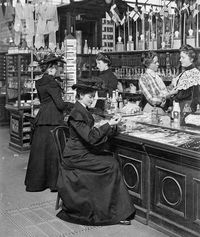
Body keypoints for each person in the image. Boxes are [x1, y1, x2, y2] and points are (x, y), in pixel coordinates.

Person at [56, 81, 135, 226]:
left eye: (93, 96)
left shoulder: (81, 109)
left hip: (82, 152)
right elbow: (91, 137)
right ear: (80, 95)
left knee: (111, 160)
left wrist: (111, 125)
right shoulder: (76, 113)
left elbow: (90, 135)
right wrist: (108, 124)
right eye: (89, 96)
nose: (92, 99)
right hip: (76, 157)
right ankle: (112, 212)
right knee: (111, 164)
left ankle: (112, 208)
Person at [24, 53, 74, 192]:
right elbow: (59, 104)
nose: (58, 70)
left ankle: (37, 183)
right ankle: (54, 183)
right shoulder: (52, 82)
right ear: (51, 68)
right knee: (53, 153)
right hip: (53, 119)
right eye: (57, 67)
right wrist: (72, 104)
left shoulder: (39, 82)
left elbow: (44, 101)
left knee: (40, 152)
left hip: (42, 117)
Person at [168, 44, 200, 114]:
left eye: (183, 57)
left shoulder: (195, 74)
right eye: (180, 57)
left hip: (187, 110)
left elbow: (195, 97)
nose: (180, 60)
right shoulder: (182, 73)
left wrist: (174, 93)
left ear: (191, 59)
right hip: (178, 109)